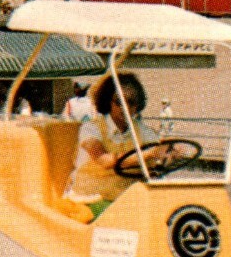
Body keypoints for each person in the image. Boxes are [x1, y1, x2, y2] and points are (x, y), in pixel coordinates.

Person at [65, 74, 165, 219]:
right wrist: (149, 154)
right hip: (89, 198)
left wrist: (170, 155)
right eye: (119, 102)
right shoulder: (91, 129)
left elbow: (160, 149)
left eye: (130, 102)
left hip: (124, 200)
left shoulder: (141, 131)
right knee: (129, 218)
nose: (125, 108)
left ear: (137, 105)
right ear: (108, 102)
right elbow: (104, 160)